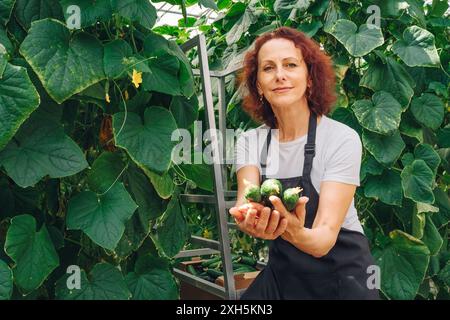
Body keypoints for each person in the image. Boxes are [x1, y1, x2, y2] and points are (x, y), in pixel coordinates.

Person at [229, 26, 380, 300]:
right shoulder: (250, 142)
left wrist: (290, 229)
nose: (280, 75)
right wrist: (248, 219)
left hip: (341, 275)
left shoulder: (340, 138)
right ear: (259, 85)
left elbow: (323, 240)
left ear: (309, 78)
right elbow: (245, 201)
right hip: (283, 272)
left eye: (291, 64)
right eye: (268, 68)